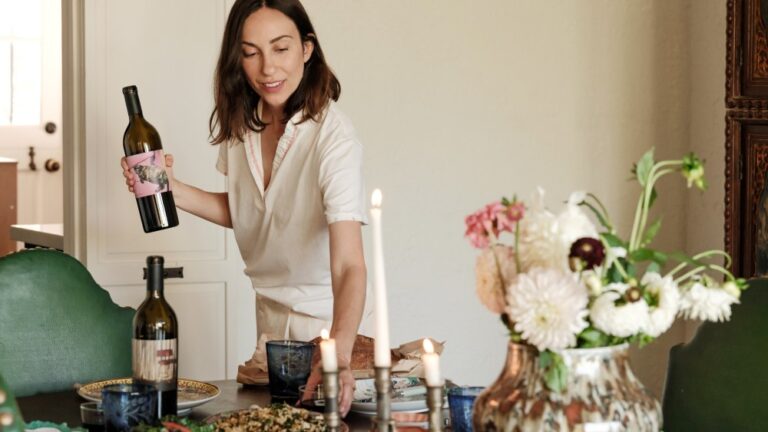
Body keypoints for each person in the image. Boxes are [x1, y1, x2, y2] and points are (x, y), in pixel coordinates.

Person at [121, 0, 371, 416]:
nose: (267, 68)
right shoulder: (244, 125)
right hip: (271, 325)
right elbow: (250, 212)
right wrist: (169, 189)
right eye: (251, 52)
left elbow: (350, 265)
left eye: (280, 48)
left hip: (331, 326)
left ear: (307, 49)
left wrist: (338, 357)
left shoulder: (334, 138)